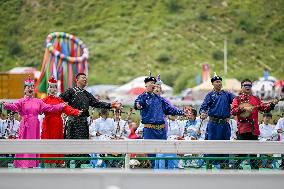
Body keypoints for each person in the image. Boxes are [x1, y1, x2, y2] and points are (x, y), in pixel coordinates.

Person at [0, 76, 65, 168]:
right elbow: (14, 106)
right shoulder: (21, 101)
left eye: (32, 87)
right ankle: (22, 163)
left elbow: (50, 108)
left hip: (35, 125)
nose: (30, 89)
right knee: (24, 144)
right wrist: (6, 105)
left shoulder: (38, 101)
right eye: (28, 87)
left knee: (33, 143)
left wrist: (60, 106)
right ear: (24, 90)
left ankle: (31, 164)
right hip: (25, 125)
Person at [59, 73, 121, 168]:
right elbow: (60, 100)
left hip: (83, 123)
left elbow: (97, 103)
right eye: (83, 78)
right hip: (73, 122)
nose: (85, 79)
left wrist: (110, 105)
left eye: (86, 78)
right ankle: (67, 165)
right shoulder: (71, 91)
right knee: (71, 144)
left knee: (82, 145)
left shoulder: (87, 94)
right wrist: (67, 110)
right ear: (77, 80)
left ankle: (78, 166)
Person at [231, 79, 277, 169]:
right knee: (241, 153)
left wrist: (271, 105)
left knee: (253, 153)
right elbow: (233, 111)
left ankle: (255, 171)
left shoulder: (256, 99)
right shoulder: (237, 99)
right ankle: (234, 168)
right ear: (242, 87)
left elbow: (265, 109)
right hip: (242, 129)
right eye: (245, 85)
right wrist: (243, 109)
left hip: (253, 129)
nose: (248, 87)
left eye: (249, 85)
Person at [40, 77, 81, 167]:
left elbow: (68, 109)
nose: (52, 89)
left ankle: (55, 165)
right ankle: (46, 166)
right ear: (47, 89)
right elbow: (36, 108)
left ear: (57, 89)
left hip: (57, 125)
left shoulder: (60, 101)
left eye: (54, 87)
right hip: (47, 125)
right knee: (47, 144)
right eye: (50, 87)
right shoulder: (44, 100)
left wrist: (77, 112)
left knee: (56, 144)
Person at [199, 74, 235, 169]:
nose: (219, 83)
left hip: (224, 124)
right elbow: (203, 107)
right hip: (213, 124)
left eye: (220, 82)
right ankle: (210, 164)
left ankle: (224, 164)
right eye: (217, 82)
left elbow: (236, 100)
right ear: (213, 84)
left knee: (225, 144)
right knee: (212, 144)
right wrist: (202, 113)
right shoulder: (210, 95)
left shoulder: (227, 94)